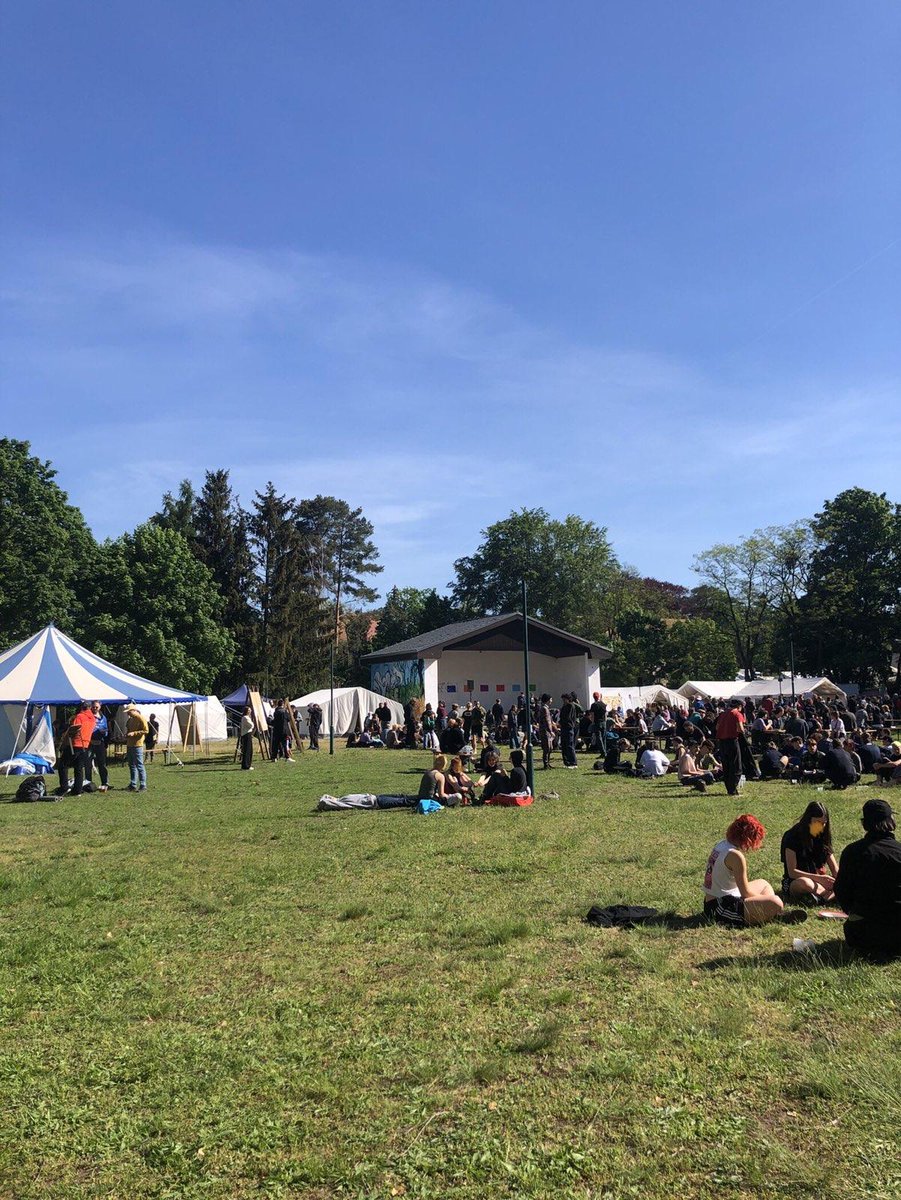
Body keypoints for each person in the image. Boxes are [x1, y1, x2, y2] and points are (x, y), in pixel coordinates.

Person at [834, 799, 901, 957]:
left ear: (864, 824)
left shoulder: (853, 852)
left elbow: (842, 891)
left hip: (865, 936)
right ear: (892, 821)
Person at [702, 814, 796, 926]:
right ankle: (774, 912)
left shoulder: (722, 845)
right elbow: (745, 893)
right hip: (719, 908)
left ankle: (772, 913)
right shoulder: (735, 855)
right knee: (775, 901)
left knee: (763, 884)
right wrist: (767, 899)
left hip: (714, 900)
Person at [779, 801, 838, 903]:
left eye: (824, 823)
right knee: (805, 883)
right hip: (796, 881)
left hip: (819, 881)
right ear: (808, 820)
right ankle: (829, 896)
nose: (822, 826)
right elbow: (792, 872)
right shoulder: (792, 836)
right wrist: (819, 878)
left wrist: (839, 880)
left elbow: (834, 868)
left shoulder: (823, 836)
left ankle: (823, 896)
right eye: (818, 822)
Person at [715, 700, 746, 797]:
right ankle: (733, 789)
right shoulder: (737, 713)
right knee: (736, 766)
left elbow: (717, 727)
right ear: (739, 706)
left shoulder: (723, 714)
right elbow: (740, 728)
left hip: (722, 742)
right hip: (732, 741)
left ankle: (729, 788)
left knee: (726, 765)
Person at [66, 701, 97, 796]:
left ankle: (64, 787)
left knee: (63, 765)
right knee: (79, 768)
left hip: (76, 743)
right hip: (85, 744)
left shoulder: (79, 716)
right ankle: (77, 790)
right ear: (90, 708)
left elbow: (75, 728)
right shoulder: (93, 719)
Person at [125, 704, 149, 792]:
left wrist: (134, 733)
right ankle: (133, 784)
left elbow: (146, 730)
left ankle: (143, 785)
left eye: (129, 712)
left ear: (134, 710)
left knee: (139, 765)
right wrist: (127, 735)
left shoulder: (141, 718)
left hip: (138, 745)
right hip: (130, 744)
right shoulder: (130, 720)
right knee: (131, 765)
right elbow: (128, 730)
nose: (128, 714)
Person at [88, 701, 110, 792]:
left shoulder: (103, 717)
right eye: (93, 707)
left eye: (97, 707)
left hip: (100, 742)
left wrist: (104, 733)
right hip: (90, 743)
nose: (95, 709)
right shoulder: (88, 716)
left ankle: (105, 783)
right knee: (88, 763)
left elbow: (106, 729)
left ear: (100, 707)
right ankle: (88, 783)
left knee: (102, 764)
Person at [559, 692, 578, 769]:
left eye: (564, 699)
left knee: (569, 745)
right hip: (564, 727)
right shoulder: (564, 706)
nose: (563, 701)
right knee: (564, 745)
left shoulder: (570, 706)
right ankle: (567, 761)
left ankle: (573, 762)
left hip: (568, 727)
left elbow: (567, 717)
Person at [539, 694, 555, 770]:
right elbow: (546, 721)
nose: (551, 701)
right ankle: (545, 764)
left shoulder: (545, 708)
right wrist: (550, 731)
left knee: (550, 747)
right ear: (548, 700)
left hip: (547, 730)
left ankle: (548, 762)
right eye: (551, 699)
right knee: (547, 748)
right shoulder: (544, 709)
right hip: (545, 731)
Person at [239, 705, 255, 770]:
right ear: (246, 711)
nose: (250, 711)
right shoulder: (245, 717)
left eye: (250, 710)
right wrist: (253, 724)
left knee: (249, 750)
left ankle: (247, 764)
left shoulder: (247, 717)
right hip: (246, 734)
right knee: (247, 750)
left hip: (248, 734)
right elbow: (251, 725)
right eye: (249, 710)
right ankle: (246, 766)